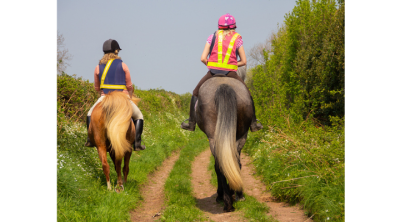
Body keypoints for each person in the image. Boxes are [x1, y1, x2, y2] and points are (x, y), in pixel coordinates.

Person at [180, 13, 263, 132]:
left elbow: (203, 58)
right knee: (247, 94)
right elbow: (244, 61)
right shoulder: (237, 38)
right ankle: (253, 124)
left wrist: (213, 65)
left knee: (195, 92)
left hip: (212, 72)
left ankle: (191, 123)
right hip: (231, 73)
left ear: (219, 26)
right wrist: (232, 64)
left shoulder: (212, 37)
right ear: (233, 27)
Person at [85, 39, 146, 151]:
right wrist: (130, 96)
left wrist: (103, 95)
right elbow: (129, 86)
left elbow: (97, 88)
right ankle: (137, 143)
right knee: (139, 116)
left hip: (104, 97)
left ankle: (90, 139)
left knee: (89, 114)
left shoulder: (98, 67)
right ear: (116, 51)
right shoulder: (123, 65)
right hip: (123, 97)